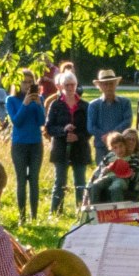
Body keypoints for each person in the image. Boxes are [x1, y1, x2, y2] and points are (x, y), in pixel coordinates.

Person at [46, 72, 90, 214]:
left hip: (80, 148)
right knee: (60, 182)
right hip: (60, 148)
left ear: (76, 85)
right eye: (67, 85)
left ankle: (82, 212)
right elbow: (49, 128)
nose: (70, 87)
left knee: (80, 183)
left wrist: (78, 137)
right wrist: (63, 130)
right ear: (61, 87)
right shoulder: (56, 105)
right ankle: (56, 213)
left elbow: (90, 129)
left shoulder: (85, 106)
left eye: (73, 84)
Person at [6, 76, 46, 221]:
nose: (28, 85)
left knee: (34, 180)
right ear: (17, 84)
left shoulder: (38, 99)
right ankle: (22, 216)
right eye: (24, 82)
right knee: (21, 180)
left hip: (36, 143)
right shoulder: (11, 100)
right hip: (19, 144)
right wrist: (25, 104)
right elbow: (17, 121)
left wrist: (39, 105)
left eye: (30, 82)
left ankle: (34, 216)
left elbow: (42, 121)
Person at [87, 131, 139, 206]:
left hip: (122, 179)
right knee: (95, 186)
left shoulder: (132, 158)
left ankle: (118, 210)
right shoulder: (110, 157)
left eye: (121, 146)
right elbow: (100, 171)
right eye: (115, 148)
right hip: (108, 177)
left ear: (125, 145)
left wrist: (130, 174)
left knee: (116, 187)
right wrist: (103, 172)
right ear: (112, 149)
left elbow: (136, 174)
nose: (119, 150)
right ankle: (94, 209)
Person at [87, 69, 134, 165]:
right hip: (101, 146)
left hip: (121, 146)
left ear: (116, 84)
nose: (109, 87)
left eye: (111, 84)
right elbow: (91, 127)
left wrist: (111, 136)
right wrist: (105, 137)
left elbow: (127, 121)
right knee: (102, 174)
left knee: (121, 173)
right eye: (105, 84)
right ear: (99, 86)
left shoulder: (125, 102)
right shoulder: (93, 105)